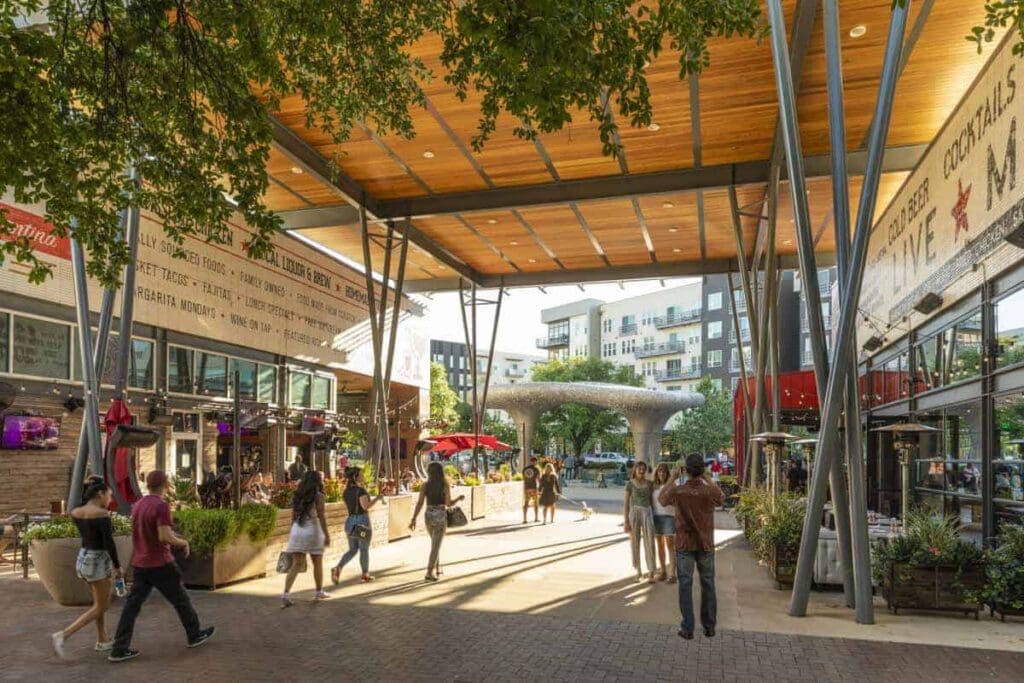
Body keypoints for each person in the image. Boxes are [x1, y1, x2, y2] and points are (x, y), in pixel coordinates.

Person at [109, 471, 214, 663]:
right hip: (160, 563)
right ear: (165, 485)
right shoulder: (161, 506)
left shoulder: (138, 505)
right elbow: (164, 536)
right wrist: (183, 542)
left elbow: (137, 536)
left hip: (140, 564)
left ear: (148, 485)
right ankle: (194, 634)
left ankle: (119, 647)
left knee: (131, 607)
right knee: (180, 600)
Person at [51, 479, 123, 659]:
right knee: (102, 606)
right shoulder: (101, 514)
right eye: (109, 495)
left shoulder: (76, 512)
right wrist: (117, 566)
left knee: (98, 603)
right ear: (100, 494)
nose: (110, 499)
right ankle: (63, 635)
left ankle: (102, 639)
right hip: (98, 561)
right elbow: (109, 543)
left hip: (84, 558)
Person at [658, 453, 725, 640]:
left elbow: (662, 499)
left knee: (685, 585)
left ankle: (688, 627)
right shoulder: (709, 491)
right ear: (702, 470)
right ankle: (709, 626)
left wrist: (672, 477)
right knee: (708, 584)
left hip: (684, 544)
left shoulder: (679, 491)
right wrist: (706, 477)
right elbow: (721, 497)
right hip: (705, 543)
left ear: (685, 470)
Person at [281, 470, 331, 607]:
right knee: (317, 563)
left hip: (297, 530)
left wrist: (292, 533)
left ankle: (285, 594)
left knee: (296, 565)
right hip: (313, 530)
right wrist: (326, 534)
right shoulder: (319, 496)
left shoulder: (297, 496)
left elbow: (292, 517)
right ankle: (319, 591)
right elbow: (321, 517)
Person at [409, 462, 465, 581]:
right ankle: (429, 572)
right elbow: (448, 504)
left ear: (429, 472)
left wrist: (413, 518)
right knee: (436, 545)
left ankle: (437, 568)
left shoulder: (425, 485)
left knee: (435, 543)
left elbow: (419, 503)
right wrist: (459, 499)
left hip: (428, 515)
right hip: (440, 515)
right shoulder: (445, 484)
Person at [331, 467, 385, 585]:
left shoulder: (346, 492)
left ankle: (338, 568)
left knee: (352, 549)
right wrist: (378, 498)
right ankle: (365, 574)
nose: (363, 476)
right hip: (362, 522)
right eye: (361, 474)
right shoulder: (360, 491)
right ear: (356, 477)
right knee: (363, 549)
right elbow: (365, 506)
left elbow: (348, 507)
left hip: (350, 522)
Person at [623, 461, 657, 583]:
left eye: (643, 469)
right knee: (635, 542)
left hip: (647, 512)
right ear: (635, 470)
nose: (641, 471)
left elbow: (653, 502)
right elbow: (626, 504)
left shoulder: (650, 484)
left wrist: (655, 517)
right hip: (635, 512)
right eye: (639, 468)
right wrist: (626, 521)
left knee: (650, 542)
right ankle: (638, 571)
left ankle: (651, 571)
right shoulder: (630, 484)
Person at [651, 464, 677, 583]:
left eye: (664, 472)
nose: (662, 473)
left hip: (669, 517)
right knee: (660, 546)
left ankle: (672, 574)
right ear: (656, 473)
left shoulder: (672, 485)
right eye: (660, 471)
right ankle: (663, 572)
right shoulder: (653, 486)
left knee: (670, 546)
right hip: (656, 517)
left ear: (667, 474)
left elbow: (677, 502)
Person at [522, 456, 541, 524]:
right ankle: (536, 518)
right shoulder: (536, 469)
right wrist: (541, 488)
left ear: (530, 461)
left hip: (527, 488)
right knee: (536, 503)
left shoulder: (525, 469)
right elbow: (539, 479)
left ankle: (525, 519)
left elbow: (524, 478)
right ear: (536, 462)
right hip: (534, 488)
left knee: (526, 503)